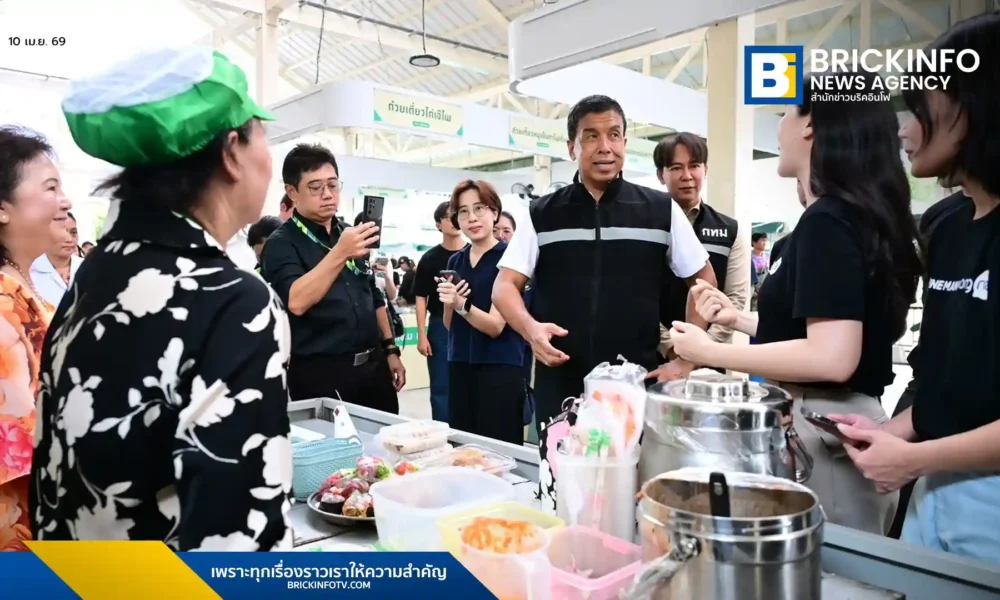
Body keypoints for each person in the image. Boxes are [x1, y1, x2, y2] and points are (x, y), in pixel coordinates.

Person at [31, 47, 292, 550]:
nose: (268, 155)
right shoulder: (232, 300)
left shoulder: (92, 280)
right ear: (232, 151)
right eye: (264, 133)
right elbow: (237, 543)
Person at [670, 71, 922, 534]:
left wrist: (709, 351)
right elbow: (820, 328)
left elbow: (831, 355)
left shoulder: (830, 220)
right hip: (821, 422)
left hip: (826, 430)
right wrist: (739, 318)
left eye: (785, 113)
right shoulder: (844, 216)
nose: (780, 126)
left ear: (810, 124)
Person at [835, 12, 1000, 562]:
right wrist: (890, 433)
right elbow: (948, 387)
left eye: (921, 107)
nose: (904, 129)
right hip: (936, 488)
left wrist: (913, 459)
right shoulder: (946, 226)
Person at [492, 94, 715, 433]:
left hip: (633, 383)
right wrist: (530, 330)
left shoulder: (659, 209)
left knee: (629, 479)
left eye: (613, 135)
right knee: (561, 479)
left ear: (625, 142)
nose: (604, 147)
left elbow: (703, 280)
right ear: (572, 148)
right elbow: (504, 286)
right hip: (561, 380)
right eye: (591, 136)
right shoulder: (543, 213)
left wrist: (689, 356)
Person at [261, 144, 404, 411]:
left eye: (333, 185)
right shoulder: (281, 244)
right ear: (292, 192)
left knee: (383, 444)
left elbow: (373, 295)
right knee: (335, 450)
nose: (327, 194)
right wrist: (340, 253)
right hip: (322, 374)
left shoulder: (350, 233)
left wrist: (390, 349)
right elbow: (296, 300)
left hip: (374, 368)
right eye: (315, 187)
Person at [0, 127, 72, 552]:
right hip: (21, 523)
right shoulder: (5, 303)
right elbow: (21, 437)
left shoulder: (22, 286)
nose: (65, 201)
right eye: (50, 187)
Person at [653, 132, 751, 377]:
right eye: (676, 167)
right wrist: (671, 348)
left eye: (694, 166)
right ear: (660, 174)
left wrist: (698, 354)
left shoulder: (730, 230)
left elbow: (735, 299)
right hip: (655, 359)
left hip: (710, 366)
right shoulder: (645, 226)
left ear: (705, 170)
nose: (687, 176)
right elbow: (636, 297)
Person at [436, 181, 524, 444]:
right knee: (463, 446)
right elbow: (449, 324)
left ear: (495, 212)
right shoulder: (455, 261)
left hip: (500, 365)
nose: (471, 218)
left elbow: (497, 326)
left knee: (500, 447)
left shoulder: (511, 259)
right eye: (463, 211)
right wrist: (450, 302)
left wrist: (463, 306)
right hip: (460, 363)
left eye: (479, 208)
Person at [414, 202, 466, 422]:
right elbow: (420, 297)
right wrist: (421, 334)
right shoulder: (429, 258)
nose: (453, 220)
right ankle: (444, 435)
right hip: (439, 327)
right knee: (441, 385)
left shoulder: (472, 253)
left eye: (457, 215)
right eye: (447, 217)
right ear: (438, 224)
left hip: (469, 320)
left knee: (468, 384)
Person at [30, 210, 84, 308]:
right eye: (62, 232)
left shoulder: (90, 268)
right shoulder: (29, 273)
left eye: (73, 233)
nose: (69, 239)